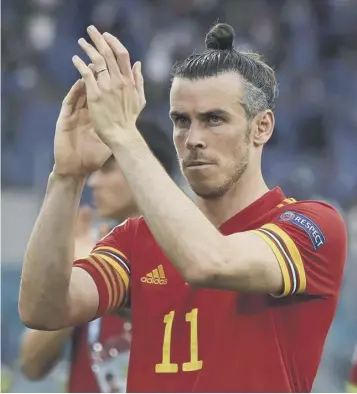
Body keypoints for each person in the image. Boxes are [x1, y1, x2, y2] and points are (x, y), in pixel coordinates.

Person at [19, 23, 347, 392]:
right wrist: (66, 175)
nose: (193, 140)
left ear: (262, 127)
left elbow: (209, 262)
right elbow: (43, 311)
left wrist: (125, 136)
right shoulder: (135, 238)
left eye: (214, 119)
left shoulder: (310, 224)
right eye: (181, 121)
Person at [19, 118, 175, 392]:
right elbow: (31, 364)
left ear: (149, 167)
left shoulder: (190, 255)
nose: (94, 181)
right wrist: (73, 279)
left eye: (108, 169)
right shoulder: (93, 251)